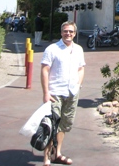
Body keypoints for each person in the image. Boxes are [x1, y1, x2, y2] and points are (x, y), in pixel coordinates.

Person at [41, 20, 85, 166]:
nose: (68, 34)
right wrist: (46, 92)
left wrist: (78, 85)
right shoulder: (52, 49)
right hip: (55, 92)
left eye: (71, 31)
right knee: (51, 125)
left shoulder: (78, 49)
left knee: (64, 125)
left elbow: (81, 68)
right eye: (65, 31)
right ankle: (46, 157)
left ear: (74, 33)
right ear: (61, 33)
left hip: (72, 92)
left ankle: (57, 153)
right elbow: (45, 70)